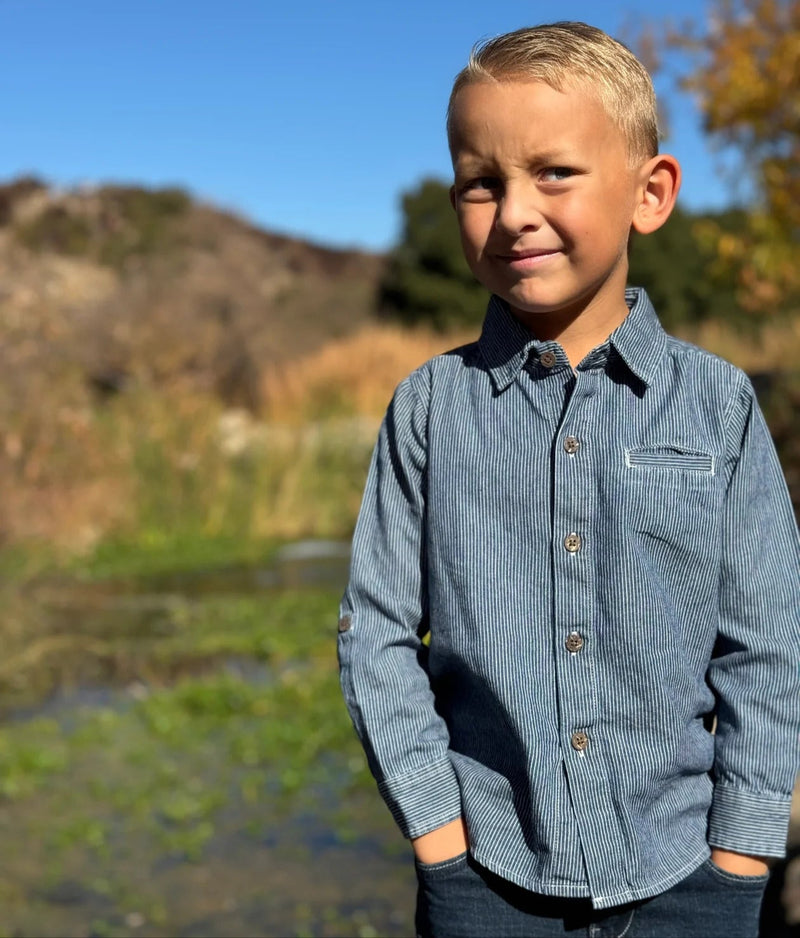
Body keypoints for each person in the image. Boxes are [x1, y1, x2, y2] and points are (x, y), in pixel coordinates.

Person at [337, 21, 800, 938]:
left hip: (687, 878)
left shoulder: (717, 406)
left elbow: (769, 642)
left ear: (650, 192)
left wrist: (740, 858)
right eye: (481, 182)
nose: (513, 211)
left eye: (554, 172)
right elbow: (376, 633)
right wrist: (439, 838)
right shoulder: (430, 407)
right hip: (486, 880)